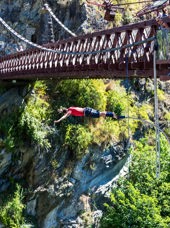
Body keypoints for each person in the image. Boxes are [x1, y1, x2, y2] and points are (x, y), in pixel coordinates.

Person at [54, 106, 125, 123]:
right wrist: (61, 110)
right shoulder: (70, 108)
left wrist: (58, 120)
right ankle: (114, 115)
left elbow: (65, 116)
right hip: (87, 110)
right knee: (100, 114)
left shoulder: (69, 111)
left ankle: (113, 115)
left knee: (99, 114)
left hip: (87, 112)